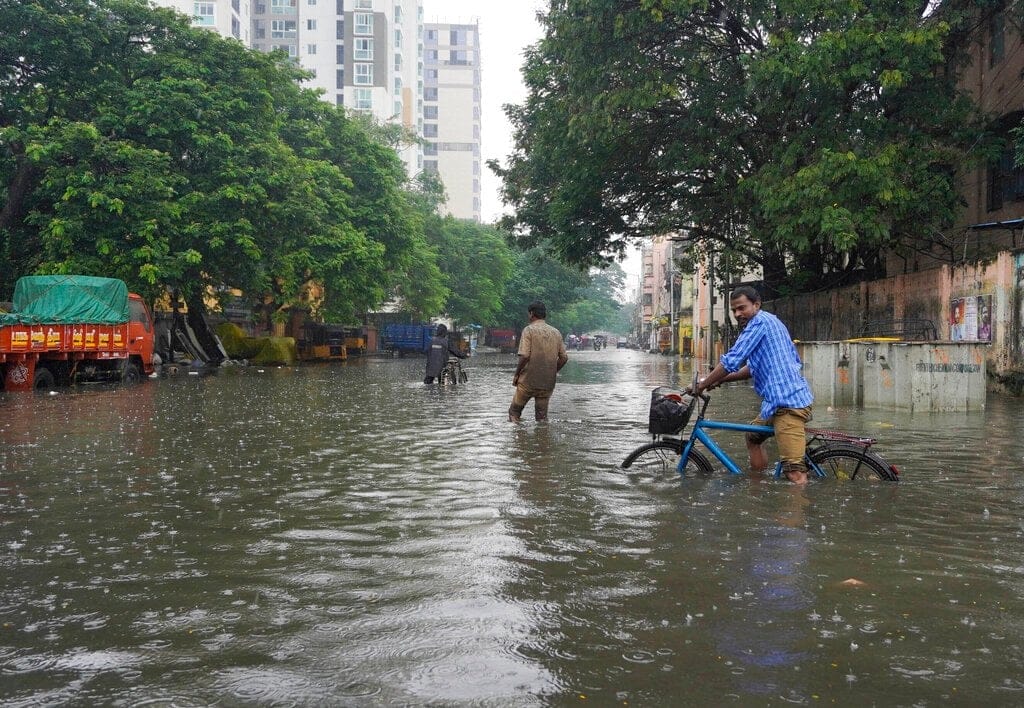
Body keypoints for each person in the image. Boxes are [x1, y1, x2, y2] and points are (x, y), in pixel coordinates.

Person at [691, 286, 814, 484]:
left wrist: (703, 384)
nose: (738, 314)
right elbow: (750, 368)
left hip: (789, 405)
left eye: (742, 308)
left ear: (756, 305)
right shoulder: (768, 321)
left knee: (795, 474)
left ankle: (796, 512)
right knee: (752, 437)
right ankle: (757, 487)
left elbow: (731, 360)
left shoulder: (759, 324)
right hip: (775, 404)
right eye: (734, 311)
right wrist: (720, 379)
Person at [509, 301, 569, 422]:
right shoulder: (556, 332)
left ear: (531, 314)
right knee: (542, 417)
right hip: (547, 382)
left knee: (514, 412)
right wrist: (552, 371)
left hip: (527, 381)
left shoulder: (529, 330)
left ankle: (516, 438)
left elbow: (525, 355)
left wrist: (516, 374)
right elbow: (564, 358)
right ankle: (542, 438)